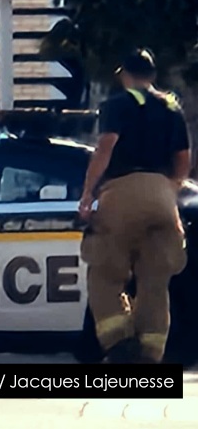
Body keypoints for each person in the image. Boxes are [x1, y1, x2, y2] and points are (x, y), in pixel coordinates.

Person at [78, 48, 191, 364]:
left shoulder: (117, 105)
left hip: (122, 190)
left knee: (105, 272)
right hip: (162, 193)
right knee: (155, 279)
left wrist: (88, 193)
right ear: (153, 76)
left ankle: (119, 343)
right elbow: (183, 159)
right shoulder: (171, 107)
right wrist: (170, 190)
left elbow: (105, 147)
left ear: (124, 75)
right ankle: (150, 354)